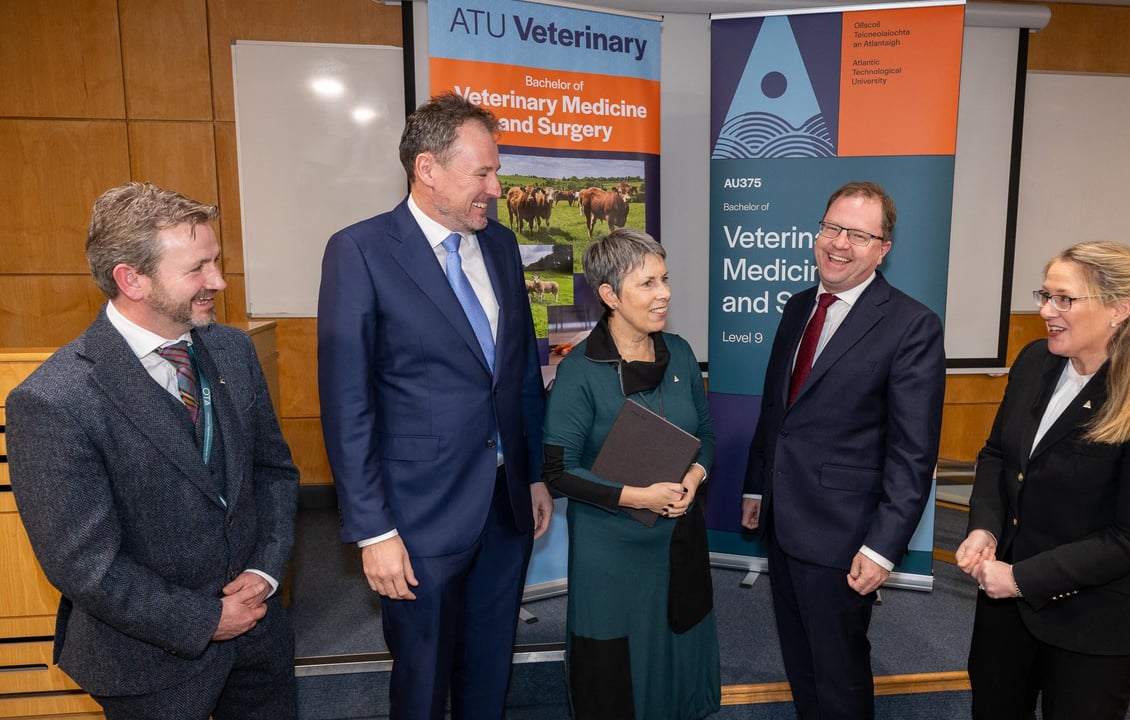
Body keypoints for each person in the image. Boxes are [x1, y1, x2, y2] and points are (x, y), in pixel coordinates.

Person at [5, 182, 300, 719]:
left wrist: (265, 570)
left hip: (259, 638)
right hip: (149, 665)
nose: (219, 281)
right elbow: (85, 565)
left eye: (216, 262)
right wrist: (206, 620)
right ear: (130, 279)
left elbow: (273, 472)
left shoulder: (233, 350)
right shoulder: (53, 401)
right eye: (198, 269)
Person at [316, 92, 552, 720]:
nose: (497, 188)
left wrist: (532, 474)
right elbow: (347, 405)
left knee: (488, 674)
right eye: (483, 173)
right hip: (417, 520)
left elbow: (519, 371)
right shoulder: (360, 252)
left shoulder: (500, 246)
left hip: (504, 512)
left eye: (496, 172)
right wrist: (374, 531)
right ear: (427, 168)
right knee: (421, 686)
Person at [955, 241, 1130, 719]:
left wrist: (1022, 578)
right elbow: (996, 457)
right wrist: (985, 527)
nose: (1046, 310)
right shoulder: (1034, 361)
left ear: (1119, 309)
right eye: (1045, 295)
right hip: (1007, 606)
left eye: (1064, 299)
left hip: (1100, 621)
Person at [741, 181, 946, 719]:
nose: (839, 243)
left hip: (844, 534)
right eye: (832, 227)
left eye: (858, 234)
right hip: (783, 520)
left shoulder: (912, 325)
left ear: (883, 248)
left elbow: (913, 452)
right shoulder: (798, 306)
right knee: (801, 660)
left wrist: (882, 548)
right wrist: (758, 482)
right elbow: (776, 409)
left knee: (838, 670)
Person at [542, 228, 720, 719]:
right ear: (609, 296)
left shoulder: (680, 353)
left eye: (664, 279)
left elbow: (706, 433)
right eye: (647, 283)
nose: (664, 293)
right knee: (617, 678)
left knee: (677, 653)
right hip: (611, 553)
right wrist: (638, 497)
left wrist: (696, 476)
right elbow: (559, 472)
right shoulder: (579, 369)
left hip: (678, 540)